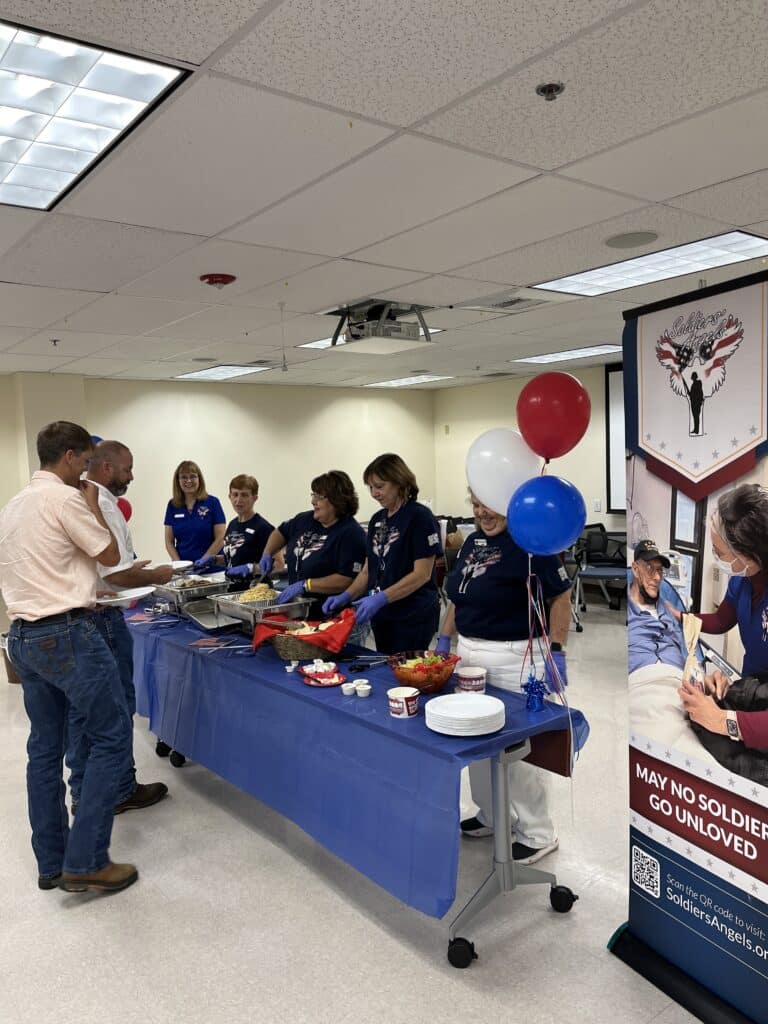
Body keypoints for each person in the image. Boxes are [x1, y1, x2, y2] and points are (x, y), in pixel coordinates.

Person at [0, 421, 137, 893]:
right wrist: (93, 503)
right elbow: (109, 550)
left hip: (23, 636)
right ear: (72, 458)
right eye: (85, 461)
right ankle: (88, 860)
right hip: (68, 633)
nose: (89, 470)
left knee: (44, 749)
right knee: (112, 735)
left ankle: (53, 863)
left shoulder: (14, 505)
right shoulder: (65, 498)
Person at [435, 493, 572, 863]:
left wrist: (557, 651)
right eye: (475, 504)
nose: (481, 513)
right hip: (470, 652)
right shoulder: (473, 542)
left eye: (489, 504)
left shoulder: (531, 544)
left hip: (517, 657)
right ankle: (493, 815)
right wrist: (444, 638)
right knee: (475, 737)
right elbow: (457, 598)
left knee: (518, 748)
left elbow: (561, 596)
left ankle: (538, 831)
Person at [66, 440, 172, 816]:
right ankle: (117, 790)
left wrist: (134, 567)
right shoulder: (102, 503)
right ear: (106, 468)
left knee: (83, 712)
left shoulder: (75, 499)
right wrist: (155, 575)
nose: (131, 476)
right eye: (127, 469)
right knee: (114, 709)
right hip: (104, 617)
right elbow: (116, 573)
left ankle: (84, 791)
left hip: (82, 616)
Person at [322, 454, 442, 654]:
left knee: (405, 673)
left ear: (399, 483)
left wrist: (381, 598)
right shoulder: (378, 520)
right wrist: (346, 596)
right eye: (370, 487)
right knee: (385, 668)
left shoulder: (419, 517)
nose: (374, 493)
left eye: (379, 486)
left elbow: (422, 574)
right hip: (383, 614)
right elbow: (368, 570)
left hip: (411, 614)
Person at [666, 484, 768, 678]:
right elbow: (721, 621)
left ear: (748, 555)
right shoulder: (741, 581)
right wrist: (680, 616)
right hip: (750, 683)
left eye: (719, 552)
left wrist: (724, 711)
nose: (715, 557)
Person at [260, 471, 366, 622]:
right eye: (313, 495)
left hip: (331, 616)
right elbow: (280, 532)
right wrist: (267, 552)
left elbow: (346, 579)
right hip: (300, 612)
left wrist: (307, 585)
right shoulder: (304, 519)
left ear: (337, 500)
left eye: (319, 497)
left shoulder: (351, 533)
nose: (313, 501)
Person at [195, 474, 273, 584]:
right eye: (235, 494)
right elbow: (234, 559)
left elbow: (278, 565)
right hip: (232, 590)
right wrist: (214, 560)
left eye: (244, 495)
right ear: (229, 496)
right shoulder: (232, 525)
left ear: (255, 498)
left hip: (255, 592)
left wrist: (252, 568)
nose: (238, 500)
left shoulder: (263, 527)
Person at [164, 461, 226, 564]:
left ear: (199, 479)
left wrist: (205, 560)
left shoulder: (213, 502)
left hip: (212, 569)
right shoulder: (172, 505)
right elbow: (169, 542)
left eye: (193, 476)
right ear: (177, 481)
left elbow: (220, 538)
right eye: (184, 477)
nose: (188, 480)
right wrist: (179, 565)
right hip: (185, 571)